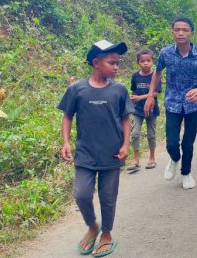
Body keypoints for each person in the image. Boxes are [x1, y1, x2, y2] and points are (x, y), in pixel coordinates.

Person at [58, 39, 134, 257]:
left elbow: (126, 118)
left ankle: (107, 233)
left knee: (108, 197)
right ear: (96, 63)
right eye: (112, 62)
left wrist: (126, 144)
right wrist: (66, 142)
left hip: (112, 153)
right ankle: (92, 226)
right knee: (81, 194)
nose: (117, 67)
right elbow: (67, 116)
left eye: (118, 63)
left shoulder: (119, 90)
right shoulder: (76, 89)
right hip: (85, 154)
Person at [144, 17, 197, 190]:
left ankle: (186, 173)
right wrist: (150, 95)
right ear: (172, 32)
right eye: (177, 29)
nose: (181, 33)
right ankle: (175, 159)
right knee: (172, 143)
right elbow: (157, 73)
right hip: (173, 103)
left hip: (194, 105)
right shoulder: (165, 53)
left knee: (188, 143)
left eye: (185, 29)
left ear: (192, 33)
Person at [128, 49, 162, 173]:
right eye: (143, 61)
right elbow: (133, 92)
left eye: (148, 60)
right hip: (137, 110)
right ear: (138, 63)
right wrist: (132, 101)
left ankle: (152, 158)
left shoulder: (156, 75)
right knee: (135, 134)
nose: (146, 63)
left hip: (152, 109)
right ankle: (136, 160)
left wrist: (139, 98)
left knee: (151, 134)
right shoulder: (135, 76)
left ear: (153, 62)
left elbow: (155, 93)